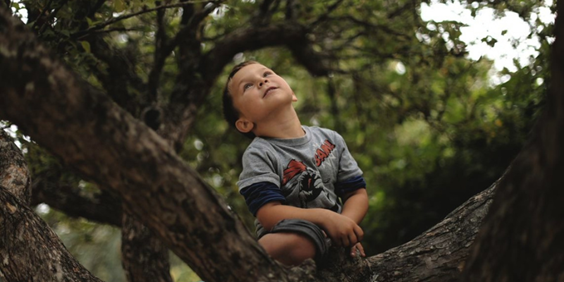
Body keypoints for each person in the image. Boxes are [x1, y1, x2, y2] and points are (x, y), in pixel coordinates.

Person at [222, 61, 369, 266]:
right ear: (245, 123)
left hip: (332, 240)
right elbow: (268, 213)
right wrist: (324, 217)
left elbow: (356, 193)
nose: (262, 81)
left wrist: (345, 226)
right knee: (300, 242)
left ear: (292, 94)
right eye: (247, 86)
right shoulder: (260, 153)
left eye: (266, 73)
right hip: (288, 238)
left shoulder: (330, 139)